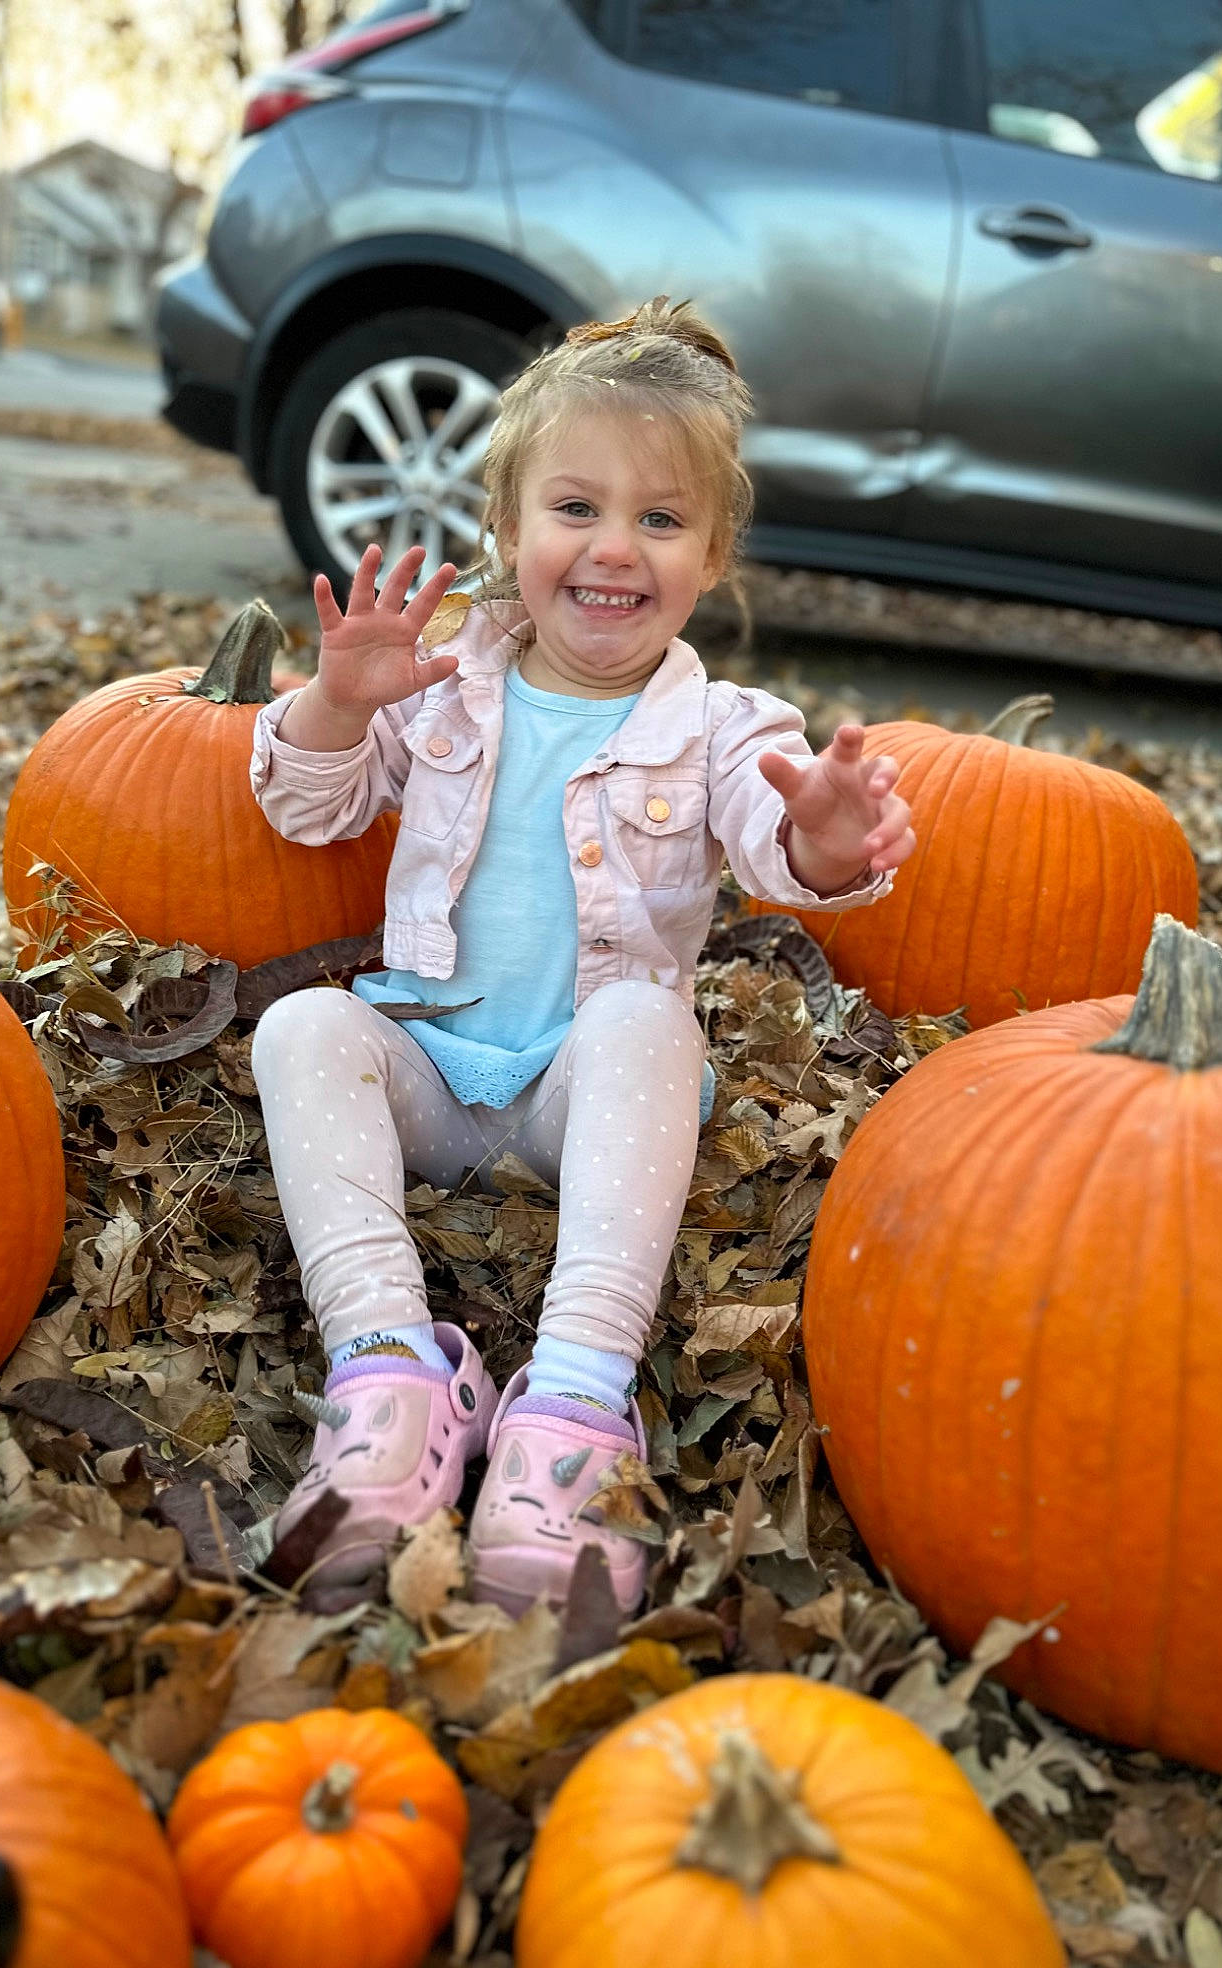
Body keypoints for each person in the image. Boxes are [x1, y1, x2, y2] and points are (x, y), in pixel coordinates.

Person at [248, 297, 914, 1616]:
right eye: (576, 509)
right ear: (505, 529)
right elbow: (304, 806)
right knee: (303, 1031)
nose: (616, 548)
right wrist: (336, 699)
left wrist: (830, 843)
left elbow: (784, 852)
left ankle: (571, 1411)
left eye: (661, 521)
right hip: (433, 1073)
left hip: (587, 1103)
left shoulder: (728, 726)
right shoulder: (436, 687)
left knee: (649, 1021)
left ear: (713, 556)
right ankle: (386, 1377)